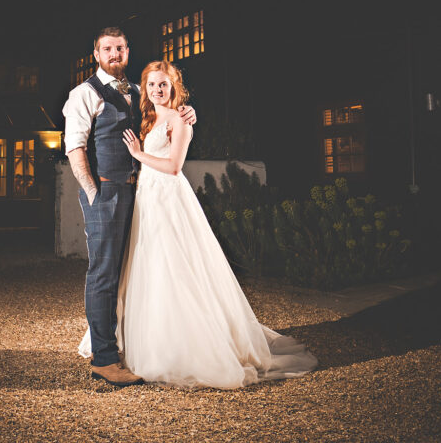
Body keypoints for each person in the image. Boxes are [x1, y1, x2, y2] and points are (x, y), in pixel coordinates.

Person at [78, 60, 318, 389]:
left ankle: (182, 347)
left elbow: (174, 166)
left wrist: (138, 154)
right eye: (151, 85)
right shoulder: (147, 116)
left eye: (163, 85)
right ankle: (140, 340)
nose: (156, 90)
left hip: (168, 199)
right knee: (146, 266)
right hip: (146, 200)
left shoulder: (179, 119)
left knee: (174, 267)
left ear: (175, 87)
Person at [63, 28, 196, 387]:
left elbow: (164, 116)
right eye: (107, 49)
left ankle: (124, 346)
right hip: (105, 193)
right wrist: (93, 194)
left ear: (127, 51)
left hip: (137, 193)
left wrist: (187, 112)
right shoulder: (83, 94)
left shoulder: (138, 92)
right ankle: (105, 360)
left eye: (120, 48)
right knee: (103, 274)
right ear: (96, 54)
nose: (115, 54)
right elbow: (75, 149)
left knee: (127, 274)